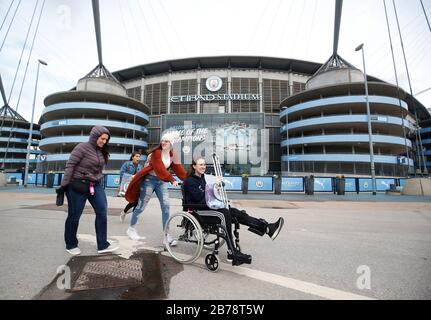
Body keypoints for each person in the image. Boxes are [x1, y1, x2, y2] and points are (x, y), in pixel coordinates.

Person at [183, 157, 284, 266]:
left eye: (204, 164)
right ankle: (232, 252)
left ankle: (267, 228)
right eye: (200, 165)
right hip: (200, 210)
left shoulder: (206, 178)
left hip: (212, 207)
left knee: (236, 213)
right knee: (225, 214)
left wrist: (218, 184)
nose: (203, 167)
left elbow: (213, 194)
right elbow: (200, 198)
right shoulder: (189, 181)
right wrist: (212, 186)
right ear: (194, 166)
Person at [56, 126, 119, 256]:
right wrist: (64, 186)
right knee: (74, 215)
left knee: (102, 211)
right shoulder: (81, 147)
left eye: (106, 139)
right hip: (78, 185)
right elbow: (70, 166)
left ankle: (102, 244)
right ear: (95, 136)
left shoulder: (101, 151)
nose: (104, 142)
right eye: (102, 139)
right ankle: (71, 244)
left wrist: (98, 179)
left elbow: (98, 169)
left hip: (94, 185)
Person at [125, 131, 187, 245]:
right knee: (141, 205)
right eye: (162, 140)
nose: (163, 142)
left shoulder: (173, 154)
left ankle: (166, 235)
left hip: (161, 182)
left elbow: (179, 169)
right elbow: (159, 168)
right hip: (149, 180)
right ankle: (131, 229)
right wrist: (172, 179)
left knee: (166, 206)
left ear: (171, 144)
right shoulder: (156, 153)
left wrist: (188, 179)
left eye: (166, 141)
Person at [119, 152, 142, 222]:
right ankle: (124, 212)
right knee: (133, 201)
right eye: (136, 156)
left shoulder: (140, 166)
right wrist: (131, 176)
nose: (138, 158)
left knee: (137, 202)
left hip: (137, 186)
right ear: (132, 157)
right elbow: (121, 173)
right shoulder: (127, 164)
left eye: (139, 157)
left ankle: (134, 218)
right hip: (129, 185)